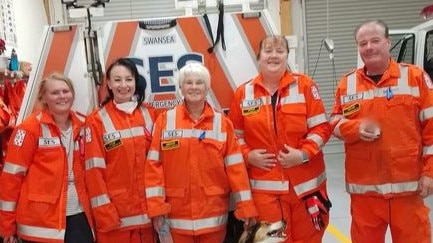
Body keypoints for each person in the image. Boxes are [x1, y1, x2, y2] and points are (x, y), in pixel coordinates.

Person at [330, 20, 433, 243]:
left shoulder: (415, 78)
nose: (369, 47)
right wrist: (355, 128)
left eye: (375, 40)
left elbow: (431, 130)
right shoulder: (347, 84)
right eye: (363, 43)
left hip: (407, 191)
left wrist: (430, 172)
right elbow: (334, 123)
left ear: (388, 42)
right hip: (365, 194)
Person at [228, 35, 332, 243]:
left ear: (287, 56)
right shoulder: (243, 93)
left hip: (306, 190)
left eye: (279, 51)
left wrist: (303, 154)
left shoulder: (306, 86)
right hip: (265, 193)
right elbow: (234, 137)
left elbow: (321, 128)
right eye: (268, 51)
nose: (274, 55)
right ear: (258, 58)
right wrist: (248, 156)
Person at [145, 62, 258, 243]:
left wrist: (246, 207)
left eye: (199, 82)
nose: (194, 87)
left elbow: (236, 169)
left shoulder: (222, 123)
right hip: (176, 220)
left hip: (213, 217)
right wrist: (157, 209)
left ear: (207, 88)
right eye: (188, 83)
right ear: (181, 88)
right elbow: (153, 169)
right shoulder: (165, 121)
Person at [0, 72, 94, 243]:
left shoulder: (84, 124)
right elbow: (11, 179)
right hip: (40, 225)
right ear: (43, 97)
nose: (62, 96)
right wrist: (6, 224)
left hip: (79, 217)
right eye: (55, 93)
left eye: (66, 91)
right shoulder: (28, 129)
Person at [84, 57, 157, 243]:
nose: (123, 85)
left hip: (150, 218)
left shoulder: (151, 114)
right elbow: (93, 172)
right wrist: (105, 212)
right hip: (116, 221)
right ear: (108, 83)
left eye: (129, 79)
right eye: (117, 80)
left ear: (135, 81)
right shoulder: (96, 121)